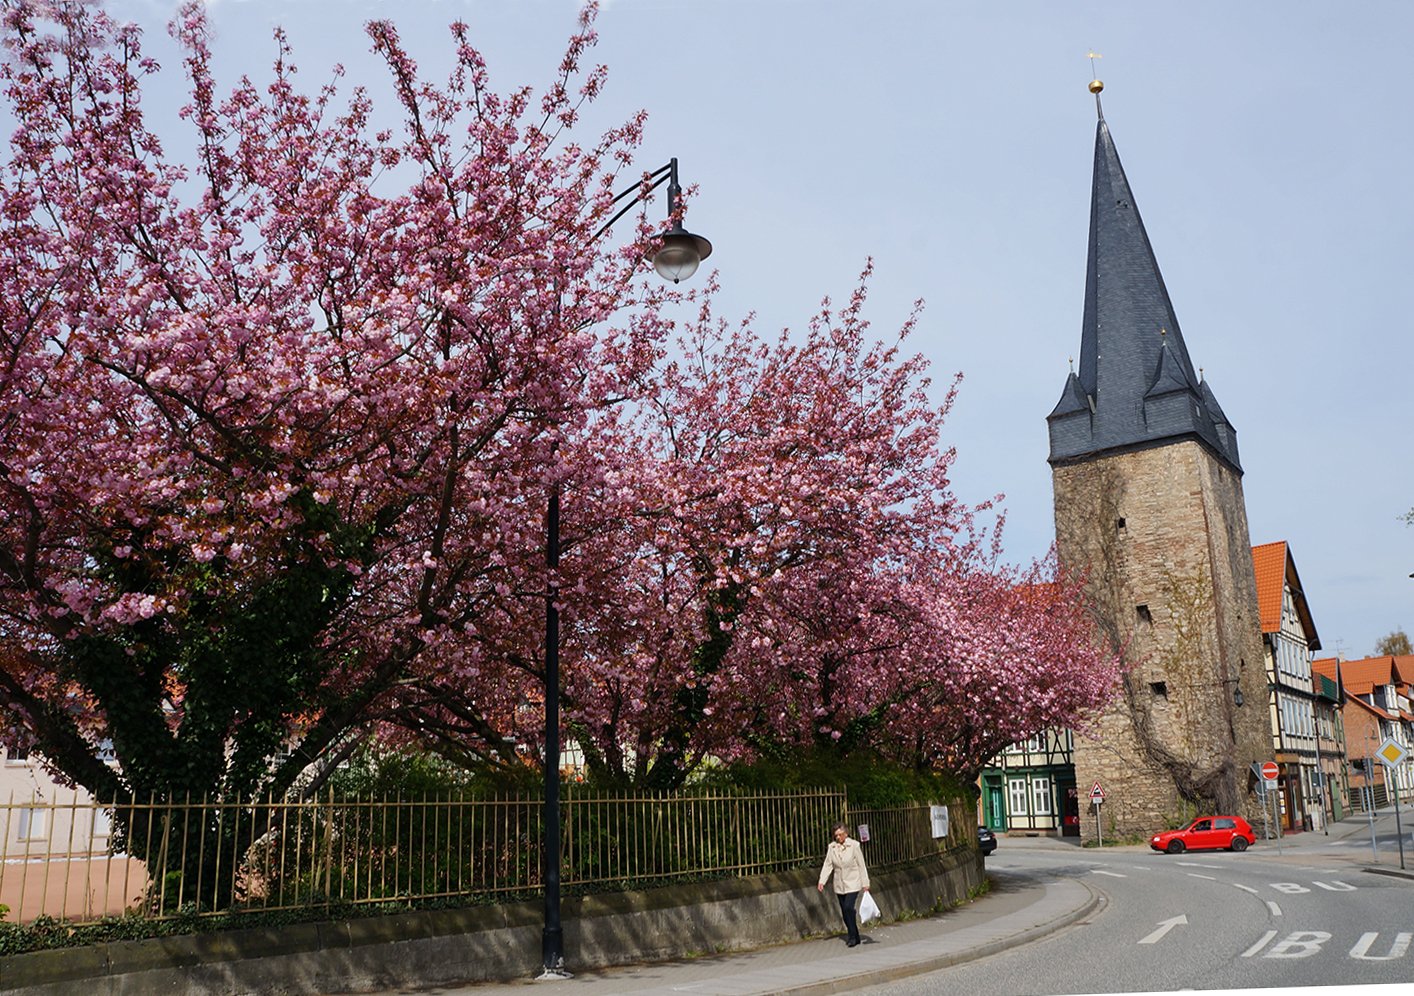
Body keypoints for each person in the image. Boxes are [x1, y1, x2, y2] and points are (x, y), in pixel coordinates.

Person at [817, 822, 869, 946]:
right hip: (839, 884)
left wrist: (865, 883)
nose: (838, 837)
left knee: (848, 907)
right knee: (845, 912)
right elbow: (828, 864)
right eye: (836, 835)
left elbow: (861, 865)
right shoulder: (832, 847)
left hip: (853, 882)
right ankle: (855, 935)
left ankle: (852, 937)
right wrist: (822, 881)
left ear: (846, 833)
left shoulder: (854, 846)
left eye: (840, 835)